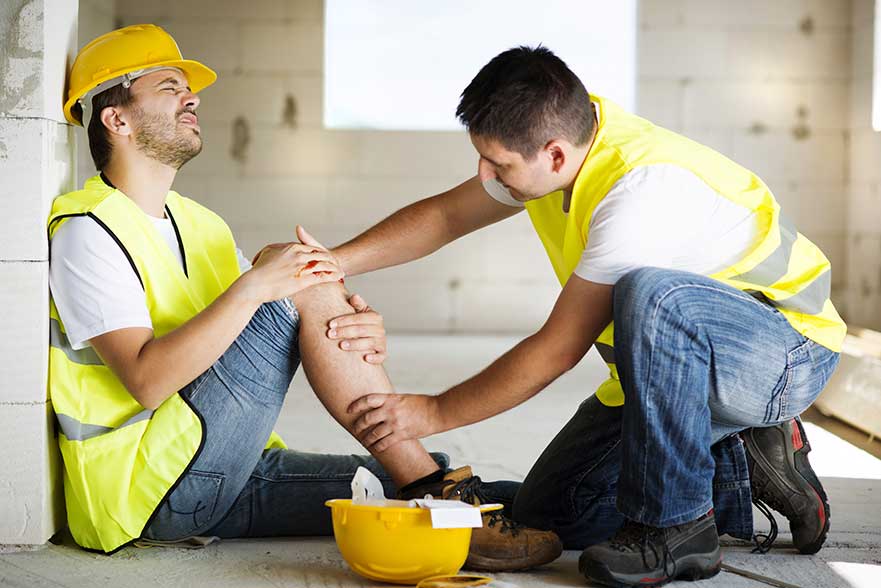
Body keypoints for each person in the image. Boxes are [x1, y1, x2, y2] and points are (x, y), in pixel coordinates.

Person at [48, 25, 562, 572]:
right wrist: (272, 287)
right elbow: (147, 382)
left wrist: (351, 324)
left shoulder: (201, 225)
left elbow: (282, 315)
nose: (192, 97)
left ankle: (476, 496)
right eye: (171, 86)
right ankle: (433, 486)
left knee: (462, 491)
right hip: (146, 492)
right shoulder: (87, 230)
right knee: (299, 269)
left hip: (225, 468)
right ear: (116, 119)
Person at [332, 46, 844, 587]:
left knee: (655, 294)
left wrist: (431, 412)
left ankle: (678, 528)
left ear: (553, 153)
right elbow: (444, 215)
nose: (484, 174)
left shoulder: (637, 192)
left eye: (497, 164)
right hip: (681, 367)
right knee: (551, 514)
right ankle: (745, 461)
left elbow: (556, 349)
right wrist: (333, 261)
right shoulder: (565, 149)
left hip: (785, 351)